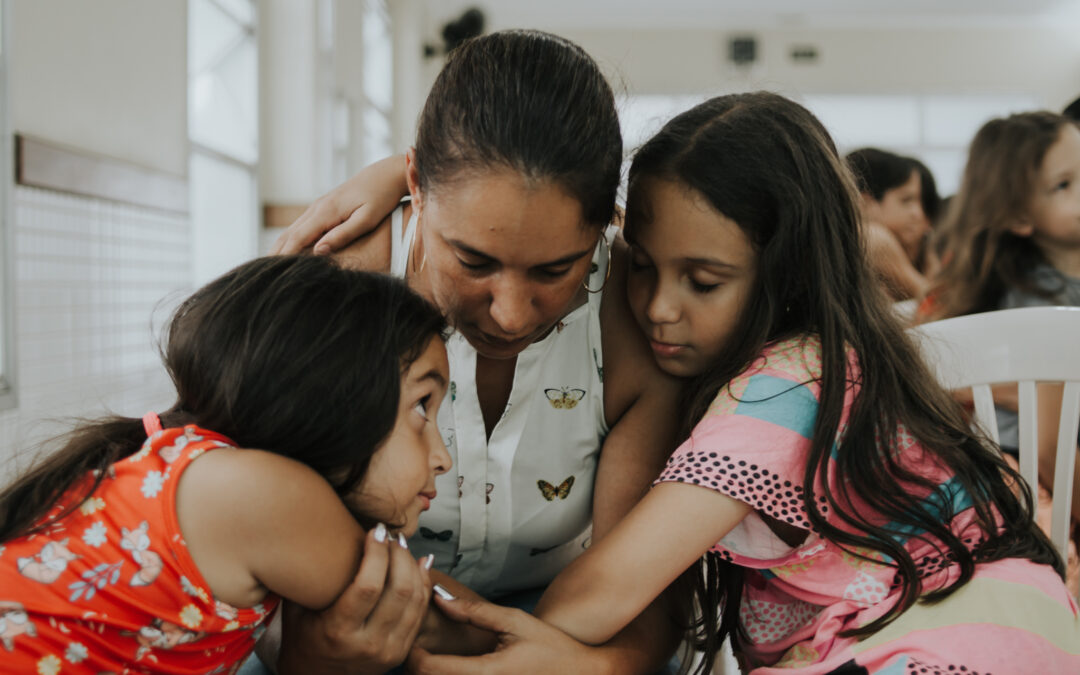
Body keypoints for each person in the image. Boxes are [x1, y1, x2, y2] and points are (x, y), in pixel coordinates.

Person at [416, 92, 1080, 674]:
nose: (657, 306)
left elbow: (598, 594)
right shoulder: (808, 356)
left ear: (786, 275)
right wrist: (403, 180)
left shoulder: (788, 384)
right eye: (642, 266)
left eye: (702, 281)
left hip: (957, 640)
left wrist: (439, 623)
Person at [269, 29, 683, 673]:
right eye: (473, 260)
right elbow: (287, 536)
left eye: (555, 271)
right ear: (414, 183)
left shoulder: (637, 315)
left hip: (573, 629)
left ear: (609, 221)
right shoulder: (341, 283)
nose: (511, 314)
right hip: (349, 620)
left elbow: (641, 588)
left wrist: (597, 667)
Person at [0, 255, 452, 673]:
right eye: (420, 407)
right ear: (331, 398)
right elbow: (429, 619)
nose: (443, 458)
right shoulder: (250, 491)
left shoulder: (191, 466)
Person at [922, 110, 1080, 593]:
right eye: (1065, 185)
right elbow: (1051, 447)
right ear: (1017, 216)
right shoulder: (1043, 302)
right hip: (1037, 482)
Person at [846, 148, 931, 301]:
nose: (918, 213)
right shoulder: (873, 238)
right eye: (906, 200)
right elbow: (933, 299)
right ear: (864, 203)